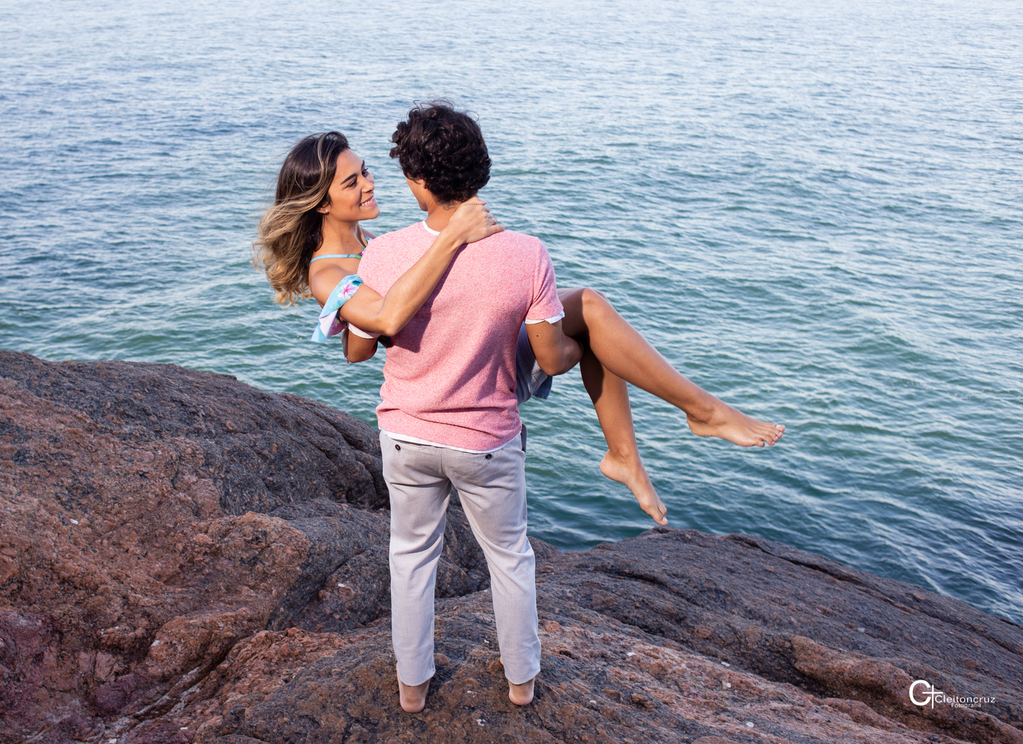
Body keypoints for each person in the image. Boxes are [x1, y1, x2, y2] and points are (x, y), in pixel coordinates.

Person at [254, 103, 784, 712]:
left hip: (408, 428)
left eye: (369, 171)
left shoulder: (378, 250)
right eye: (353, 181)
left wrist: (423, 278)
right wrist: (451, 240)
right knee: (512, 549)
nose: (370, 183)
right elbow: (378, 327)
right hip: (481, 424)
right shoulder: (348, 267)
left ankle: (412, 689)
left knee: (411, 560)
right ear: (323, 201)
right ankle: (523, 680)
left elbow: (364, 343)